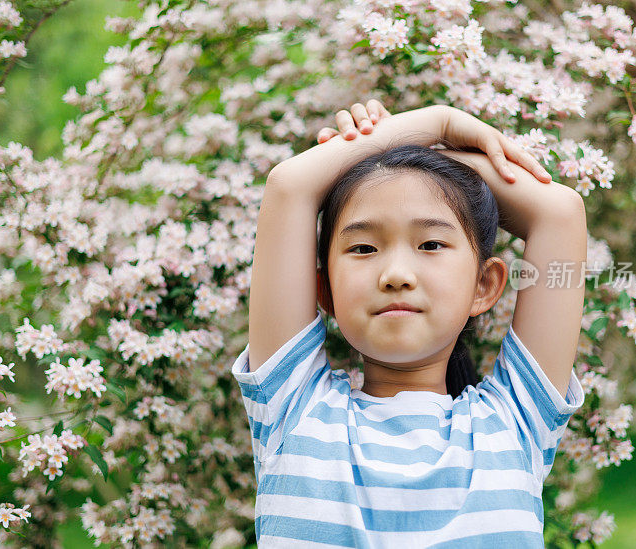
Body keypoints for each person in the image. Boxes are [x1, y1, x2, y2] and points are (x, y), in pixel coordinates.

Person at [232, 100, 587, 547]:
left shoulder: (516, 423)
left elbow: (560, 212)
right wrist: (437, 123)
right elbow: (289, 184)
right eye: (363, 248)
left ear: (484, 285)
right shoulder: (292, 409)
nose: (396, 274)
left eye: (431, 243)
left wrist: (405, 154)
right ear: (323, 292)